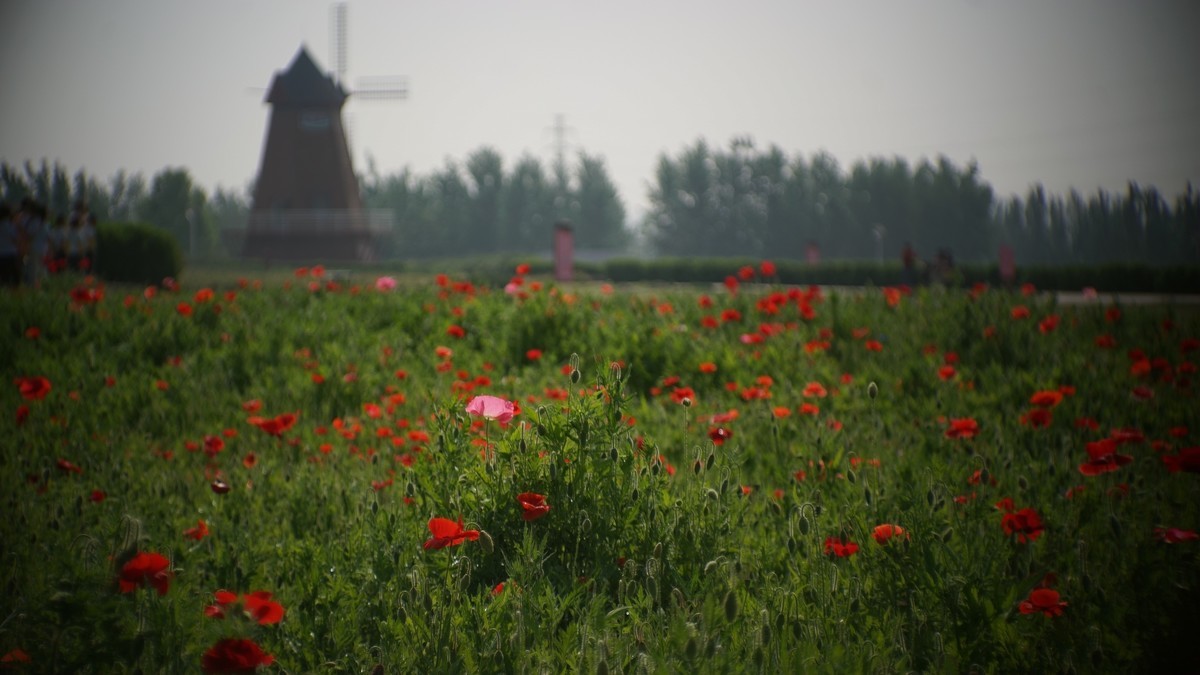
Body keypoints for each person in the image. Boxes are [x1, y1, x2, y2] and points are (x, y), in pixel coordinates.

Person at [0, 203, 19, 287]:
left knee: (3, 278)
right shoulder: (10, 225)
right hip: (10, 253)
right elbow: (15, 239)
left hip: (1, 254)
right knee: (13, 278)